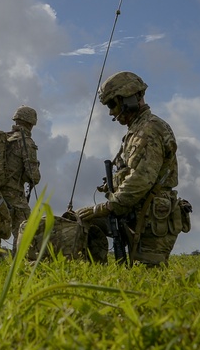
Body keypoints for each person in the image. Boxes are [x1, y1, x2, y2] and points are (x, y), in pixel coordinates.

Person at [76, 71, 190, 266]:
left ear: (128, 98)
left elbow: (141, 178)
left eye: (113, 104)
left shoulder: (149, 129)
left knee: (147, 279)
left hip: (152, 217)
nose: (111, 112)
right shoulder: (137, 129)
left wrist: (106, 207)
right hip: (136, 212)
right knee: (79, 223)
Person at [2, 105, 41, 240]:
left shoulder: (4, 139)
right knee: (25, 232)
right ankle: (20, 261)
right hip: (14, 195)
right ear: (31, 123)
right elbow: (33, 176)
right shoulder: (27, 143)